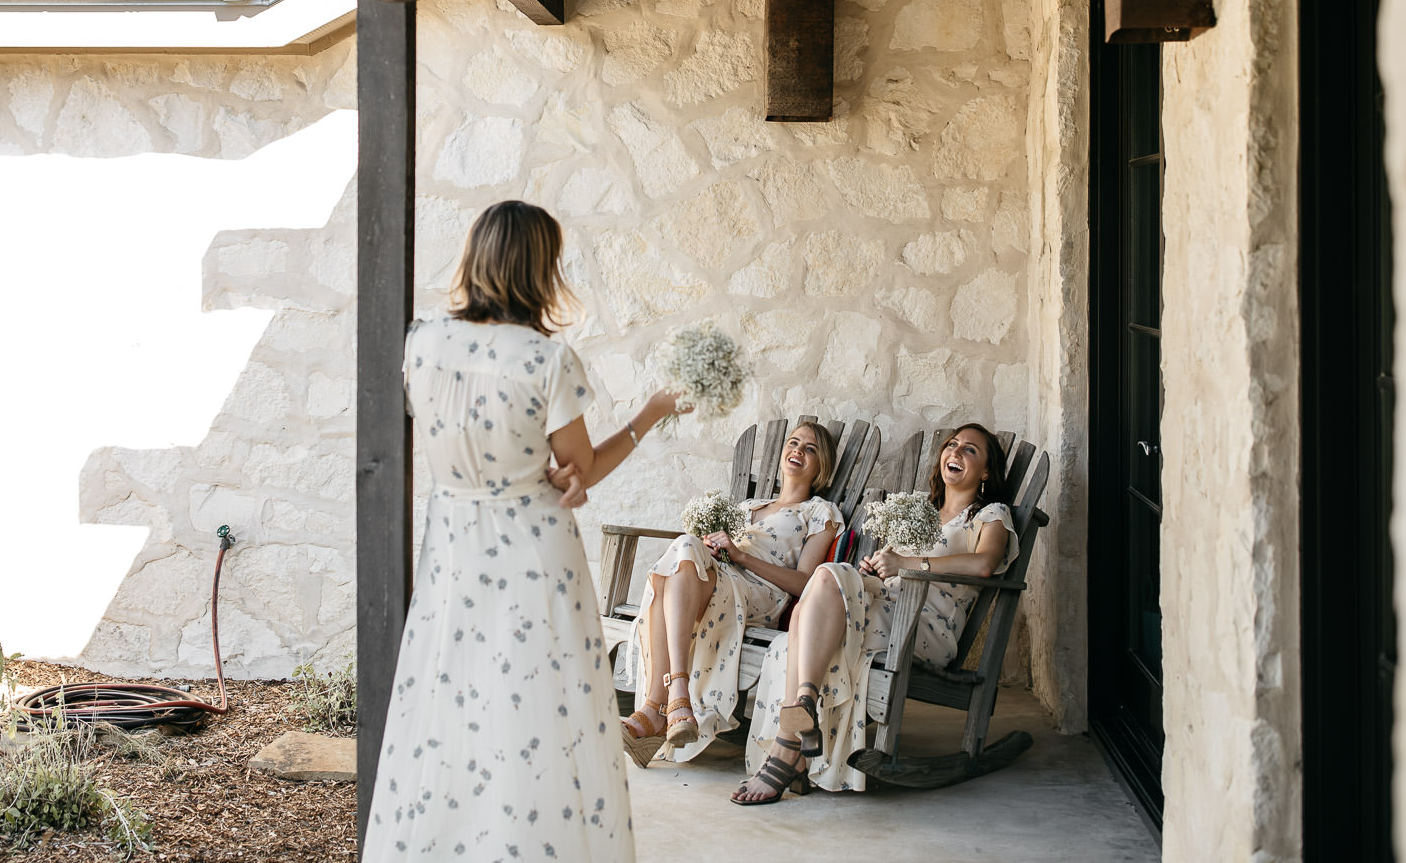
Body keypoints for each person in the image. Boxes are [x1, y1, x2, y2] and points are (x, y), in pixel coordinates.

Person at [362, 200, 679, 861]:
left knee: (450, 696)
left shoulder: (421, 341)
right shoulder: (546, 360)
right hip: (534, 549)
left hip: (452, 546)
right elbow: (582, 470)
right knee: (539, 708)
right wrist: (650, 413)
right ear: (541, 268)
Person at [733, 423, 1019, 803]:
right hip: (887, 608)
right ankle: (803, 707)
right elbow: (893, 569)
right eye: (952, 444)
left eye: (970, 450)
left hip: (922, 627)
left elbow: (984, 564)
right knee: (819, 588)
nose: (955, 452)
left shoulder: (990, 514)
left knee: (821, 592)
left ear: (985, 472)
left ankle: (788, 744)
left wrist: (908, 563)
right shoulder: (920, 512)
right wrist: (877, 569)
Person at [618, 423, 842, 767]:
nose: (798, 450)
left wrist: (740, 556)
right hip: (720, 577)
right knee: (683, 553)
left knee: (678, 562)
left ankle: (658, 705)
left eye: (810, 449)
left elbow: (804, 584)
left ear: (822, 467)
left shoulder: (819, 512)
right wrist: (709, 547)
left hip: (759, 592)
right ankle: (673, 702)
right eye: (793, 442)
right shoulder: (748, 506)